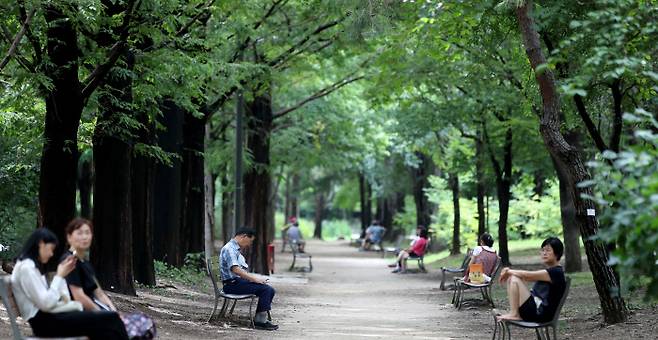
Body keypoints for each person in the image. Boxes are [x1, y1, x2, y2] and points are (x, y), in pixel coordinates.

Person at [10, 228, 129, 339]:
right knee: (111, 318)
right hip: (46, 324)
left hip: (49, 319)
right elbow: (46, 303)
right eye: (51, 249)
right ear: (41, 243)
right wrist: (59, 276)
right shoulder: (26, 268)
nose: (51, 254)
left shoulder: (27, 266)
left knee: (106, 327)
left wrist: (61, 275)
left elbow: (48, 300)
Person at [60, 218, 156, 338]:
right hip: (76, 312)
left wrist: (114, 312)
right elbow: (78, 296)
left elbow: (99, 293)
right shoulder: (69, 261)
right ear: (69, 237)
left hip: (92, 312)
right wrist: (102, 314)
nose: (84, 237)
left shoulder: (85, 263)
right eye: (79, 233)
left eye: (87, 233)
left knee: (144, 323)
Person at [219, 227, 278, 331]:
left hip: (235, 282)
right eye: (250, 241)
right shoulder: (229, 249)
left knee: (269, 289)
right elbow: (235, 269)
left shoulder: (234, 249)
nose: (249, 244)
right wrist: (254, 279)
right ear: (244, 236)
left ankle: (260, 319)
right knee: (266, 290)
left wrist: (252, 279)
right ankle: (260, 322)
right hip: (231, 285)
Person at [496, 237, 566, 323]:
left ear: (557, 253)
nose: (544, 253)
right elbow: (526, 277)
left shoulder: (556, 272)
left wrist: (508, 271)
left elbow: (528, 276)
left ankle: (514, 314)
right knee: (512, 278)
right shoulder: (553, 271)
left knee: (514, 279)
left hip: (540, 314)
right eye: (543, 250)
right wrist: (509, 272)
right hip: (535, 309)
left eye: (548, 250)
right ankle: (513, 313)